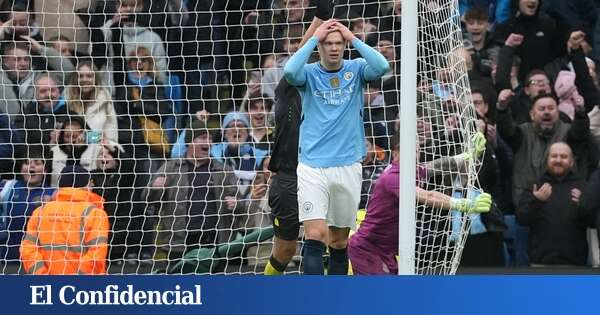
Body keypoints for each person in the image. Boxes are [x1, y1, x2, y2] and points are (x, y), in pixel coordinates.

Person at [283, 18, 389, 275]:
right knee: (315, 234)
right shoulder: (308, 75)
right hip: (312, 166)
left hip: (348, 164)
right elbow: (289, 71)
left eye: (338, 43)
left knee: (339, 241)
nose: (333, 48)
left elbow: (382, 66)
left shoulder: (357, 69)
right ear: (320, 46)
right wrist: (312, 38)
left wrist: (352, 37)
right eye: (328, 43)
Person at [348, 133, 492, 275]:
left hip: (385, 250)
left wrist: (467, 156)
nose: (415, 155)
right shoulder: (392, 177)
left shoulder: (412, 170)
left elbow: (437, 166)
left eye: (417, 150)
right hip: (367, 248)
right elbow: (427, 196)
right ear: (396, 153)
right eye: (411, 150)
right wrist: (464, 204)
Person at [263, 1, 334, 275]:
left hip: (319, 174)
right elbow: (296, 62)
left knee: (325, 238)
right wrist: (319, 18)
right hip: (288, 178)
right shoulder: (288, 88)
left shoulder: (328, 93)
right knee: (284, 249)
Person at [143, 120, 241, 269]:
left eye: (209, 138)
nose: (207, 142)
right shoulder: (171, 167)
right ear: (189, 142)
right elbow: (145, 199)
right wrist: (155, 188)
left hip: (214, 242)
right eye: (202, 137)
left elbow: (240, 202)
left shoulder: (223, 170)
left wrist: (236, 203)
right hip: (179, 244)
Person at [20, 165, 109, 275]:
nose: (93, 185)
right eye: (91, 182)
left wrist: (42, 276)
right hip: (83, 287)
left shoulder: (40, 212)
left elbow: (28, 249)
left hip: (46, 286)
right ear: (87, 184)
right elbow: (97, 254)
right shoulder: (95, 213)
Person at [517, 142, 595, 266]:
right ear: (547, 160)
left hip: (575, 267)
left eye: (564, 157)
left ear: (572, 162)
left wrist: (584, 205)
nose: (558, 160)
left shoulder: (583, 187)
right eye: (554, 156)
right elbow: (521, 219)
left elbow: (593, 222)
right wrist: (537, 201)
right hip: (540, 265)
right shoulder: (535, 185)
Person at [0, 146, 55, 263]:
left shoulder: (52, 194)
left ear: (45, 170)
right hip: (5, 257)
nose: (31, 166)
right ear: (21, 169)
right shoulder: (8, 186)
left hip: (37, 261)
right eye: (27, 163)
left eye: (37, 163)